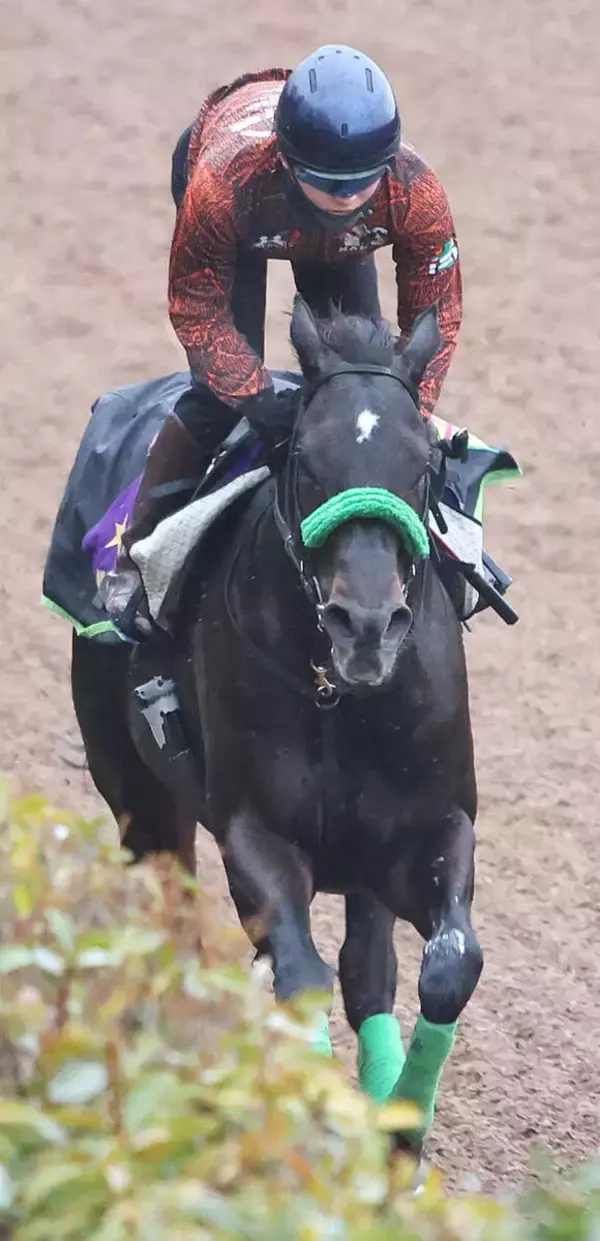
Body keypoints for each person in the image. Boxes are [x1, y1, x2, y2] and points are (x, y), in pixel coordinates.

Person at [102, 44, 462, 636]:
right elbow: (198, 310)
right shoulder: (222, 188)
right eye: (328, 182)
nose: (346, 198)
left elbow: (437, 315)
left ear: (387, 164)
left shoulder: (414, 191)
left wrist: (403, 407)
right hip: (246, 209)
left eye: (361, 183)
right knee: (217, 397)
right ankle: (135, 556)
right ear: (290, 163)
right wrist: (258, 400)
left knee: (364, 387)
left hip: (328, 232)